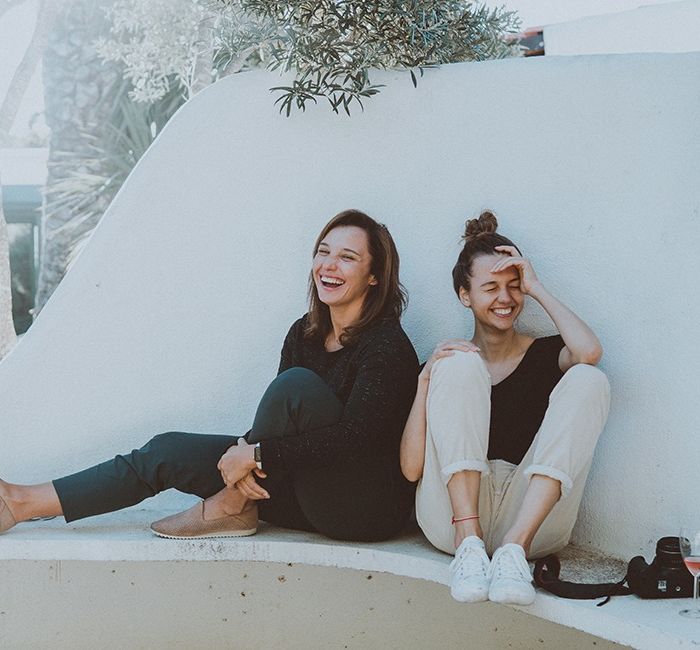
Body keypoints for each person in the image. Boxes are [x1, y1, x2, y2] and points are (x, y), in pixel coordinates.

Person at [0, 209, 418, 543]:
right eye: (323, 251)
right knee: (166, 451)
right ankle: (21, 502)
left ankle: (233, 504)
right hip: (302, 492)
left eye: (347, 257)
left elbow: (355, 440)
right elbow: (281, 428)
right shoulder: (304, 332)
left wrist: (254, 455)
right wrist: (249, 454)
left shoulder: (386, 346)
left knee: (294, 387)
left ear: (374, 275)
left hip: (360, 510)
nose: (329, 265)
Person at [399, 210, 610, 605]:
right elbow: (411, 468)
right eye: (491, 287)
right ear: (465, 295)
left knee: (589, 377)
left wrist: (538, 288)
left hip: (530, 520)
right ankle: (469, 540)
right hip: (452, 520)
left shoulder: (545, 353)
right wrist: (424, 380)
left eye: (514, 286)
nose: (505, 298)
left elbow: (590, 351)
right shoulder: (448, 364)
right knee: (458, 362)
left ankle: (513, 549)